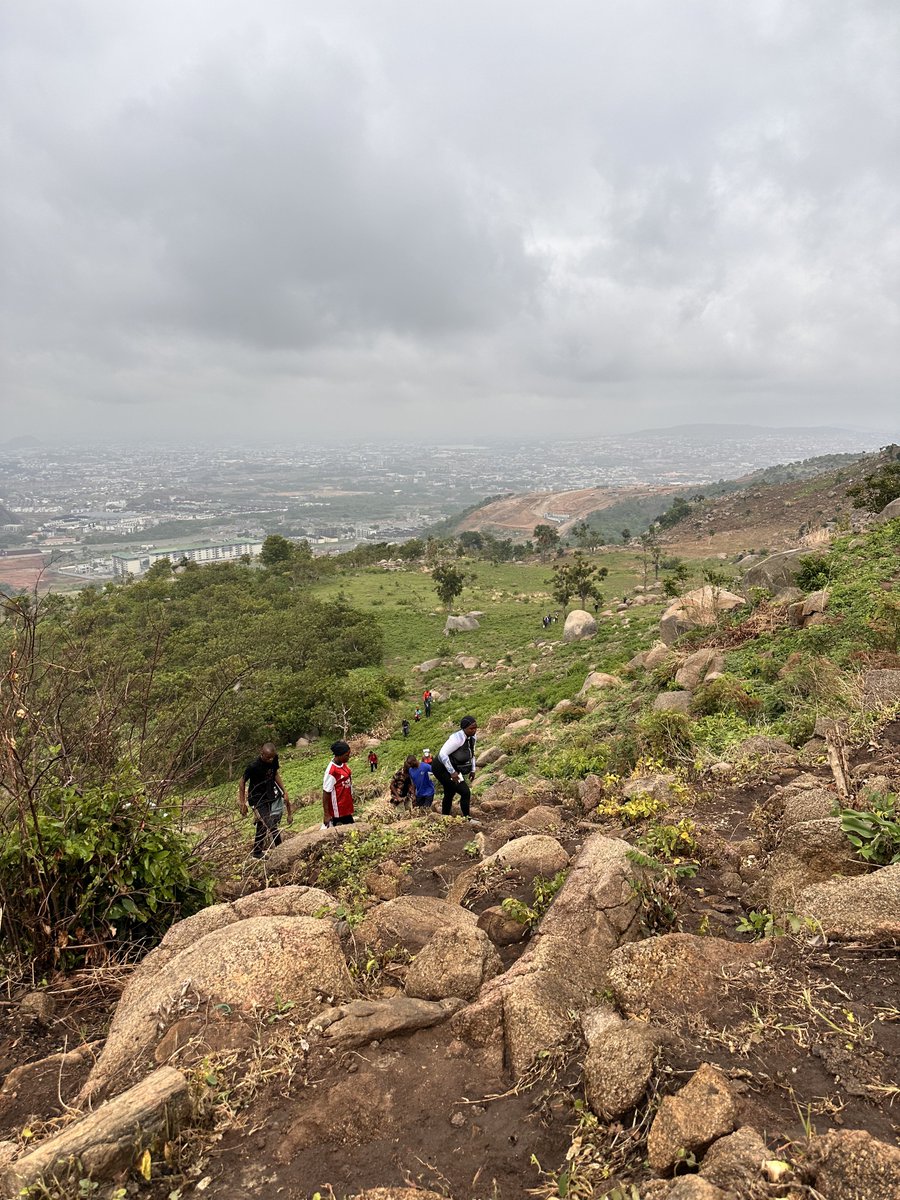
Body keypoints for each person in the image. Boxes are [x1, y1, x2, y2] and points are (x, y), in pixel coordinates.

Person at [240, 742, 292, 859]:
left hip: (268, 795)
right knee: (271, 824)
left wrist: (284, 791)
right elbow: (242, 782)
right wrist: (242, 802)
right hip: (256, 798)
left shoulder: (274, 759)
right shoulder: (253, 766)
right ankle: (281, 850)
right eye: (268, 757)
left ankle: (257, 852)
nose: (271, 759)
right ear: (262, 754)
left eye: (272, 757)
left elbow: (275, 774)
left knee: (262, 824)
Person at [432, 716, 479, 821]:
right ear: (464, 728)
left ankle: (444, 818)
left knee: (449, 792)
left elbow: (472, 754)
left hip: (452, 767)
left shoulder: (472, 737)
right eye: (471, 728)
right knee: (465, 792)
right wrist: (452, 772)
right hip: (441, 767)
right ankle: (468, 819)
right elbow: (442, 754)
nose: (474, 730)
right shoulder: (457, 739)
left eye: (475, 728)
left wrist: (473, 770)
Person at [322, 740, 354, 827]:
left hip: (346, 806)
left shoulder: (343, 764)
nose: (348, 757)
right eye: (346, 755)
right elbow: (326, 793)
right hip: (338, 811)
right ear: (339, 755)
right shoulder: (332, 771)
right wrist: (326, 814)